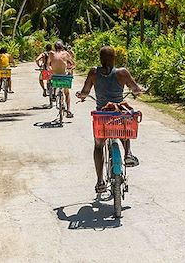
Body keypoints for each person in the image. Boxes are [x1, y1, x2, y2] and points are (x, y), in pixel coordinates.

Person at [76, 45, 145, 193]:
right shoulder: (122, 73)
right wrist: (138, 92)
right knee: (125, 128)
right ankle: (127, 153)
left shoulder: (94, 72)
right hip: (118, 113)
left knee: (98, 146)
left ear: (100, 59)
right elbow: (135, 88)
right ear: (114, 58)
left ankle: (100, 181)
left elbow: (85, 91)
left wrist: (81, 96)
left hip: (102, 115)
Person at [47, 40, 75, 118]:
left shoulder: (51, 54)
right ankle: (68, 111)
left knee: (53, 83)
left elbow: (48, 65)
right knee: (67, 93)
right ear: (62, 47)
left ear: (54, 47)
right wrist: (70, 69)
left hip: (55, 77)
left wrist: (50, 70)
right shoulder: (66, 53)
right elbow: (73, 64)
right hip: (64, 77)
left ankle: (53, 94)